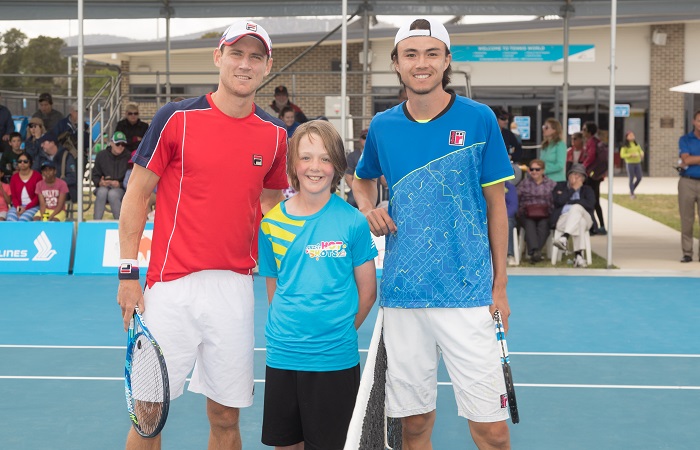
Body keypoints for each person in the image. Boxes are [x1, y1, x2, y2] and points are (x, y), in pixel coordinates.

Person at [116, 20, 287, 450]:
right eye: (236, 53)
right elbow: (136, 195)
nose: (244, 64)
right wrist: (127, 274)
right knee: (148, 415)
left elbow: (272, 208)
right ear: (218, 57)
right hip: (170, 288)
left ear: (267, 66)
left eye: (254, 57)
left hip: (233, 290)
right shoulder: (175, 118)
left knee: (226, 418)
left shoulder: (275, 135)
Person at [352, 18, 513, 450]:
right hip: (405, 296)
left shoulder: (479, 119)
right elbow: (362, 178)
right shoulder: (384, 126)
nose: (421, 63)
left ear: (446, 61)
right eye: (411, 54)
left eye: (430, 53)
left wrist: (500, 288)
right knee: (414, 426)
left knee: (493, 432)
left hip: (470, 294)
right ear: (396, 64)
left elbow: (498, 209)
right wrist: (368, 208)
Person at [258, 120, 377, 450]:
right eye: (306, 157)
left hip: (334, 359)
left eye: (325, 159)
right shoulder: (270, 224)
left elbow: (368, 293)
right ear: (293, 164)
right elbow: (275, 292)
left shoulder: (352, 221)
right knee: (286, 445)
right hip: (283, 355)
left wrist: (337, 332)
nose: (315, 167)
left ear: (337, 166)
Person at [551, 164, 595, 268]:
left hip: (585, 216)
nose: (577, 178)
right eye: (575, 174)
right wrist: (573, 189)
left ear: (583, 179)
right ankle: (578, 256)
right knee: (580, 222)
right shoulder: (560, 186)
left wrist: (573, 202)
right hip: (563, 219)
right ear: (569, 175)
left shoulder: (587, 189)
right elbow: (558, 202)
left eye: (580, 176)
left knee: (576, 208)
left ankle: (564, 237)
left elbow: (590, 204)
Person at [517, 159, 556, 263]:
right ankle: (536, 251)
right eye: (532, 169)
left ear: (542, 170)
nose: (534, 171)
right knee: (530, 225)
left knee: (544, 225)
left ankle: (534, 251)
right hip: (527, 213)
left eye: (537, 169)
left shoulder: (551, 184)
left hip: (545, 213)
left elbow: (554, 200)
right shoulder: (524, 183)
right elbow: (518, 197)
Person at [677, 110, 700, 263]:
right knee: (687, 219)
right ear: (693, 122)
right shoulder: (685, 139)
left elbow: (690, 159)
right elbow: (686, 159)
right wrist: (689, 160)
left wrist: (693, 159)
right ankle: (687, 253)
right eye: (699, 120)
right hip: (687, 182)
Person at [92, 131, 130, 220]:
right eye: (118, 144)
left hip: (121, 189)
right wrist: (100, 182)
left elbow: (130, 178)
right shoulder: (101, 155)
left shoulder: (128, 157)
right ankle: (96, 222)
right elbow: (95, 175)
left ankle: (120, 223)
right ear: (111, 143)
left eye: (123, 144)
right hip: (104, 187)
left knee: (113, 194)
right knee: (102, 192)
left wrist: (119, 184)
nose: (120, 146)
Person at [34, 131, 78, 202]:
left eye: (44, 143)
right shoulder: (40, 157)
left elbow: (72, 178)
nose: (41, 146)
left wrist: (54, 182)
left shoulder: (66, 156)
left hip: (62, 191)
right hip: (43, 190)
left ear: (52, 143)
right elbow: (34, 174)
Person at [582, 121, 606, 235]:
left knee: (591, 200)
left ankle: (594, 227)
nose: (582, 132)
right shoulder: (597, 141)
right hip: (597, 175)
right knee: (596, 200)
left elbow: (591, 156)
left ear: (589, 132)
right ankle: (601, 226)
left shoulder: (591, 142)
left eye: (584, 130)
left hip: (591, 175)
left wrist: (583, 166)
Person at [6, 152, 42, 222]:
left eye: (25, 161)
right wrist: (19, 208)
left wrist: (25, 208)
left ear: (30, 163)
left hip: (33, 206)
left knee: (23, 220)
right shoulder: (14, 178)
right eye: (20, 161)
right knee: (10, 219)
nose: (22, 163)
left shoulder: (37, 176)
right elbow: (14, 197)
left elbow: (37, 197)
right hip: (18, 206)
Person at [539, 118, 567, 182]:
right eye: (543, 127)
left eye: (546, 127)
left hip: (557, 180)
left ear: (554, 130)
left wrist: (544, 170)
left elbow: (560, 165)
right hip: (544, 180)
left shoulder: (560, 145)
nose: (543, 129)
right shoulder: (545, 145)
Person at [620, 130, 644, 199]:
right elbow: (622, 155)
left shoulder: (636, 144)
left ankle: (632, 189)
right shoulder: (625, 146)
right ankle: (632, 194)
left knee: (639, 178)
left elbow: (640, 150)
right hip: (630, 163)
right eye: (630, 135)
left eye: (633, 135)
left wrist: (642, 153)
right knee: (631, 178)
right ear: (627, 137)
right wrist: (630, 155)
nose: (632, 136)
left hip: (637, 163)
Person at [505, 180, 518, 266]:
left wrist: (501, 218)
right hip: (488, 217)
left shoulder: (510, 187)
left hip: (507, 217)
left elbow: (513, 206)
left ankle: (510, 255)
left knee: (507, 224)